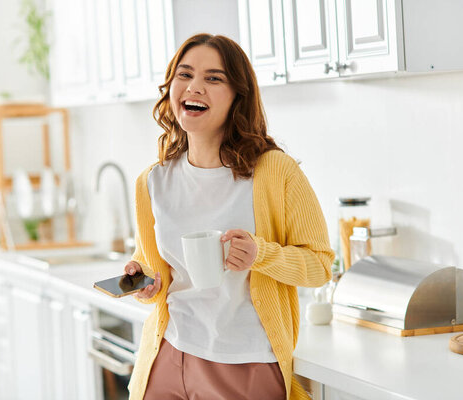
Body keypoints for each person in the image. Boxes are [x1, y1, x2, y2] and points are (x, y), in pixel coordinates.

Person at [123, 33, 334, 400]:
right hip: (168, 355)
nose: (195, 87)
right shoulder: (151, 181)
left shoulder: (274, 171)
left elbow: (319, 265)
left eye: (214, 78)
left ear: (239, 94)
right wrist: (143, 282)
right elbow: (156, 270)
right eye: (184, 75)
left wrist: (260, 255)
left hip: (246, 363)